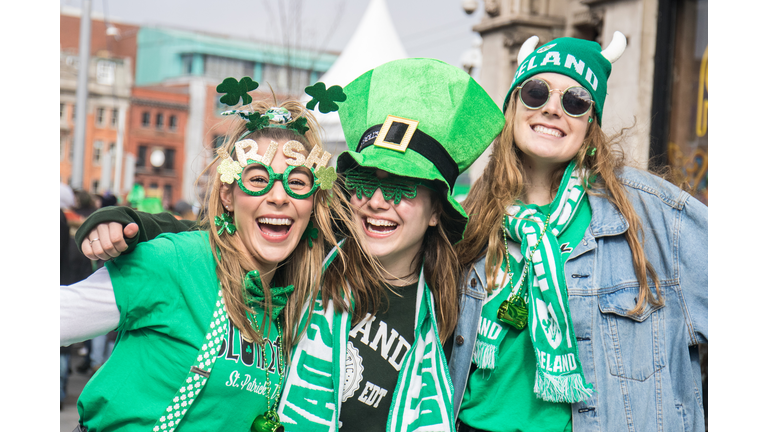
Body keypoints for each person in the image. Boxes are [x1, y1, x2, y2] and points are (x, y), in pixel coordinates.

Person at [74, 59, 506, 432]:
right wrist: (134, 222)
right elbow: (228, 234)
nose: (377, 201)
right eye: (363, 181)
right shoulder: (316, 262)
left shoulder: (456, 299)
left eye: (404, 188)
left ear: (437, 210)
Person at [61, 89, 372, 432]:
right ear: (228, 195)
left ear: (312, 204)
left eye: (297, 183)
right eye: (258, 180)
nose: (279, 197)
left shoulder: (290, 301)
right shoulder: (178, 262)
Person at [449, 32, 708, 432]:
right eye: (536, 92)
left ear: (591, 124)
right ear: (513, 107)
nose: (553, 108)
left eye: (575, 101)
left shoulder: (647, 213)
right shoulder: (471, 219)